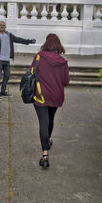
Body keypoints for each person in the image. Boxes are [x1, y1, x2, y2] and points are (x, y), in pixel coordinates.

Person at [30, 33, 69, 169]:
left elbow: (31, 72)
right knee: (50, 119)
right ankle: (49, 139)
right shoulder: (63, 62)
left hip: (41, 95)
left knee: (43, 122)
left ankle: (45, 155)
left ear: (46, 43)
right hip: (56, 95)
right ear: (58, 44)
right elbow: (66, 82)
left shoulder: (39, 57)